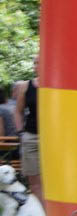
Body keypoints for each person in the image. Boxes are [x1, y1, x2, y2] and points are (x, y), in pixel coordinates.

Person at [15, 57, 41, 198]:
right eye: (34, 63)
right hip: (32, 136)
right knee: (34, 181)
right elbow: (18, 111)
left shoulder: (59, 84)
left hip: (54, 138)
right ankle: (43, 211)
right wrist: (21, 133)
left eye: (39, 62)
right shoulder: (26, 86)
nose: (36, 66)